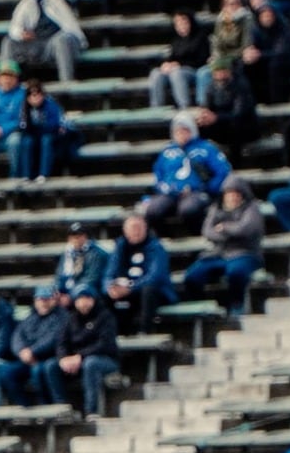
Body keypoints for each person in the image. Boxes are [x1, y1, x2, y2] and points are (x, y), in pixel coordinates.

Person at [182, 175, 264, 317]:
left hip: (245, 253)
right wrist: (229, 233)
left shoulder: (252, 209)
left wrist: (224, 227)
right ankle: (203, 305)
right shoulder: (216, 208)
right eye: (229, 194)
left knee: (236, 272)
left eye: (236, 194)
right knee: (193, 275)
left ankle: (236, 305)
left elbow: (245, 230)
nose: (233, 197)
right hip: (218, 253)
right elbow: (207, 231)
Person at [35, 286, 120, 420]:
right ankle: (62, 408)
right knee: (51, 365)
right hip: (76, 360)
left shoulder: (106, 316)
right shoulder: (70, 318)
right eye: (80, 299)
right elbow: (61, 343)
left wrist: (80, 357)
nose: (83, 302)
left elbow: (104, 344)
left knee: (91, 364)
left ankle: (91, 411)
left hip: (105, 359)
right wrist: (63, 358)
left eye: (87, 298)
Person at [141, 113, 231, 233]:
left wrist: (208, 187)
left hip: (196, 192)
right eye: (178, 131)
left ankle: (196, 235)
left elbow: (223, 171)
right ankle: (166, 237)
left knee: (189, 210)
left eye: (185, 130)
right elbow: (158, 173)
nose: (181, 134)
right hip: (170, 193)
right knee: (153, 210)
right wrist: (162, 187)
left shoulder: (206, 148)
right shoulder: (167, 151)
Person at [0, 0, 85, 84]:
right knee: (8, 42)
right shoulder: (26, 3)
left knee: (62, 40)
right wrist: (21, 34)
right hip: (36, 44)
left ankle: (66, 82)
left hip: (57, 42)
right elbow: (14, 27)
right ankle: (6, 83)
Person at [104, 213, 176, 334]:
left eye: (138, 228)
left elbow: (155, 277)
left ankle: (145, 332)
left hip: (155, 292)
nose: (135, 232)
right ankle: (112, 333)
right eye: (132, 228)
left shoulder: (156, 247)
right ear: (125, 231)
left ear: (145, 228)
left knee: (148, 290)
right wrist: (110, 287)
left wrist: (131, 288)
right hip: (127, 290)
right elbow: (109, 273)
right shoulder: (120, 246)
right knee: (103, 295)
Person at [2, 283, 67, 406]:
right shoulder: (31, 316)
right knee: (7, 372)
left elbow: (53, 339)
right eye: (40, 299)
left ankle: (48, 404)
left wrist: (32, 351)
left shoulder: (62, 316)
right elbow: (17, 336)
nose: (43, 302)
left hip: (50, 357)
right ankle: (24, 406)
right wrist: (21, 351)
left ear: (54, 299)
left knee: (40, 369)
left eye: (47, 299)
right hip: (28, 359)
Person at [197, 56, 260, 160]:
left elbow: (239, 113)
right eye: (217, 72)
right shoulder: (211, 86)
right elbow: (208, 106)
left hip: (244, 125)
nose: (220, 74)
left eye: (222, 71)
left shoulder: (241, 85)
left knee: (235, 127)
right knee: (199, 127)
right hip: (221, 122)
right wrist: (204, 116)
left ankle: (236, 163)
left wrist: (216, 117)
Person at [200, 0, 254, 106]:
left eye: (235, 3)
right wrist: (216, 57)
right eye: (228, 3)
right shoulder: (220, 21)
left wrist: (225, 58)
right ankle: (204, 107)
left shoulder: (247, 20)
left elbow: (246, 45)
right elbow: (216, 44)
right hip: (221, 59)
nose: (232, 7)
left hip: (237, 59)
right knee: (203, 73)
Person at [12, 79, 72, 183]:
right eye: (31, 95)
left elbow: (56, 123)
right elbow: (22, 125)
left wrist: (41, 127)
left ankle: (43, 174)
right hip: (34, 134)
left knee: (46, 140)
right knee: (26, 141)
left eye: (38, 94)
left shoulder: (50, 104)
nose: (35, 98)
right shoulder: (24, 107)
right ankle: (26, 175)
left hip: (51, 133)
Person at [150, 10, 210, 110]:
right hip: (178, 68)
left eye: (184, 21)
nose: (181, 25)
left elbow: (201, 61)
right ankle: (156, 107)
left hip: (194, 70)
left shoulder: (201, 37)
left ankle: (184, 106)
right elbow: (172, 57)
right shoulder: (176, 40)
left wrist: (179, 64)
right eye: (177, 23)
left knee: (177, 73)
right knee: (156, 73)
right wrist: (166, 64)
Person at [53, 221, 107, 308]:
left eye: (80, 236)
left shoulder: (96, 253)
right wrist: (57, 291)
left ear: (85, 236)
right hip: (67, 293)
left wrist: (71, 295)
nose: (76, 239)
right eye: (73, 237)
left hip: (89, 293)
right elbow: (59, 275)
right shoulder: (67, 253)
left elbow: (91, 279)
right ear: (69, 238)